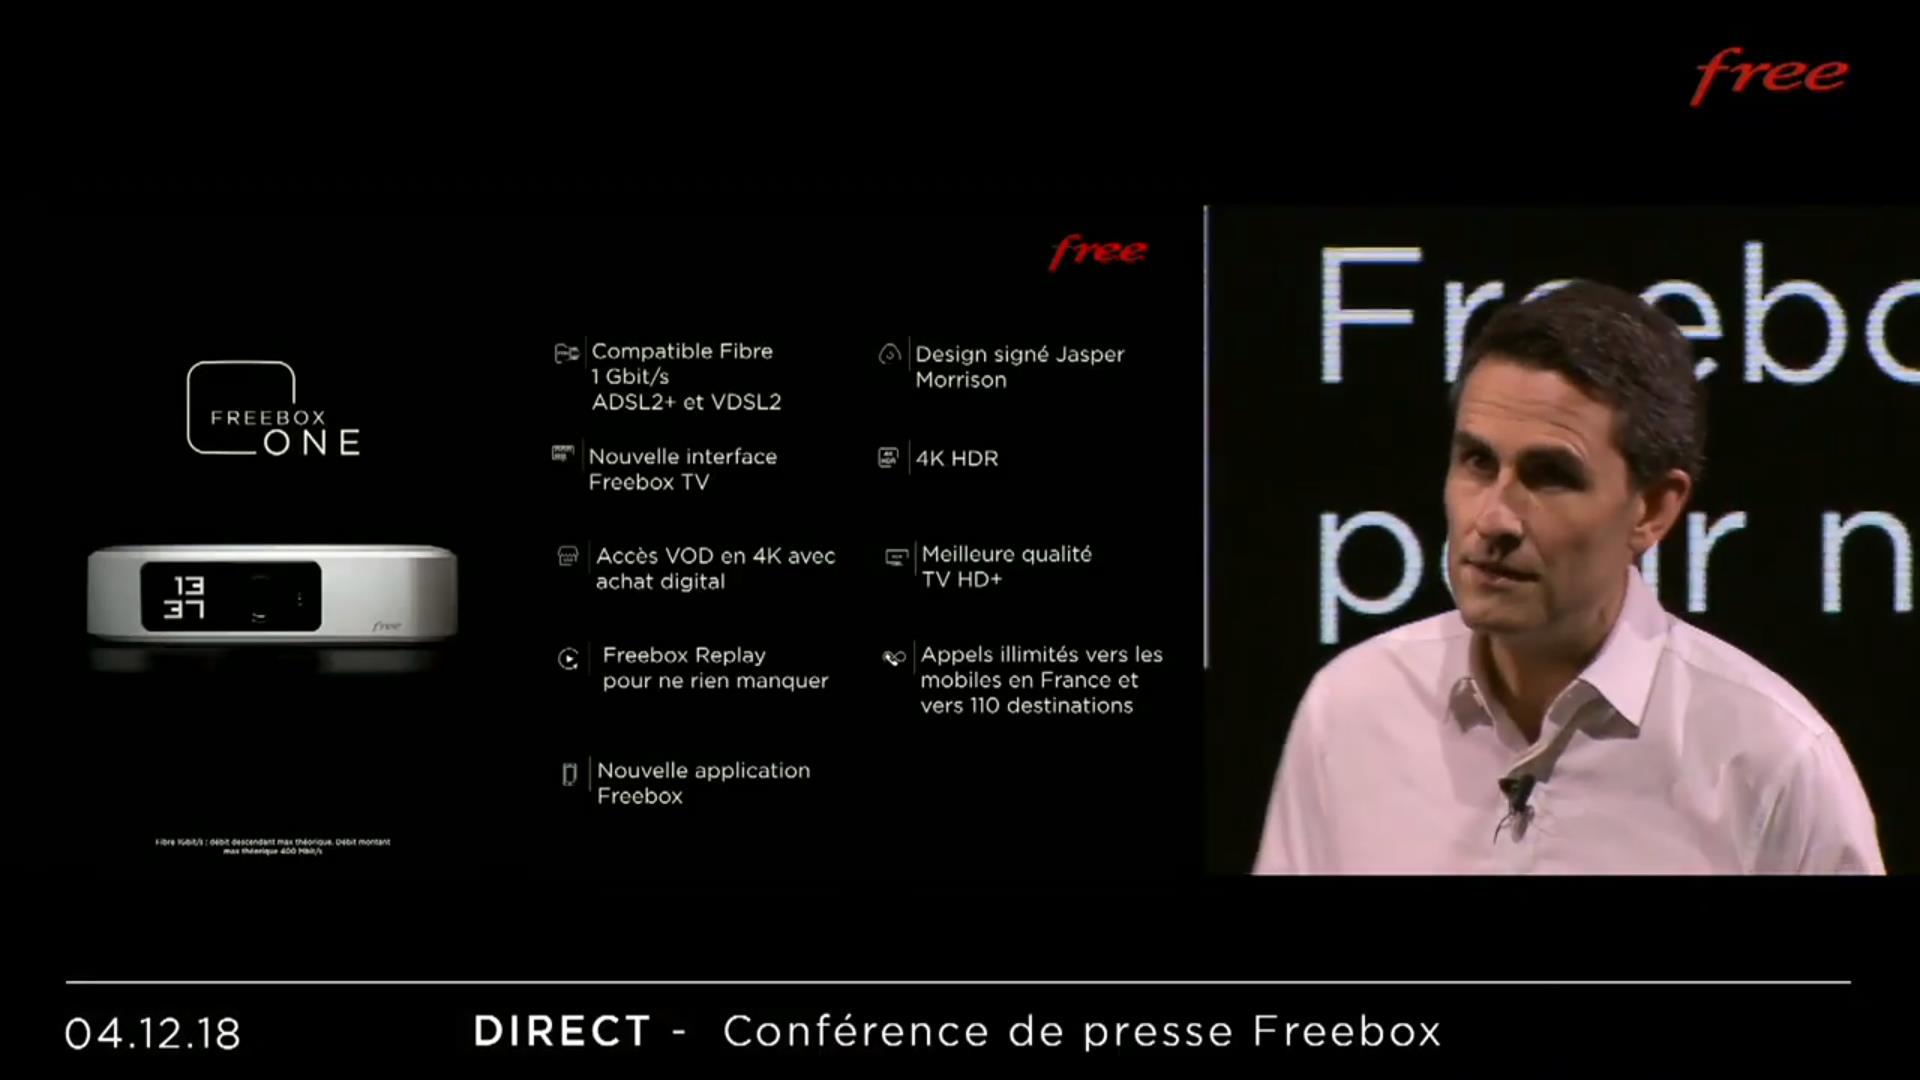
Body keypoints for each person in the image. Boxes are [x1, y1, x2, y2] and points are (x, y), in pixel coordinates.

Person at [1255, 281, 1883, 874]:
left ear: (1653, 509)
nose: (1494, 518)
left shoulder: (1773, 761)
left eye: (1550, 475)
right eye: (1477, 461)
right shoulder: (1350, 712)